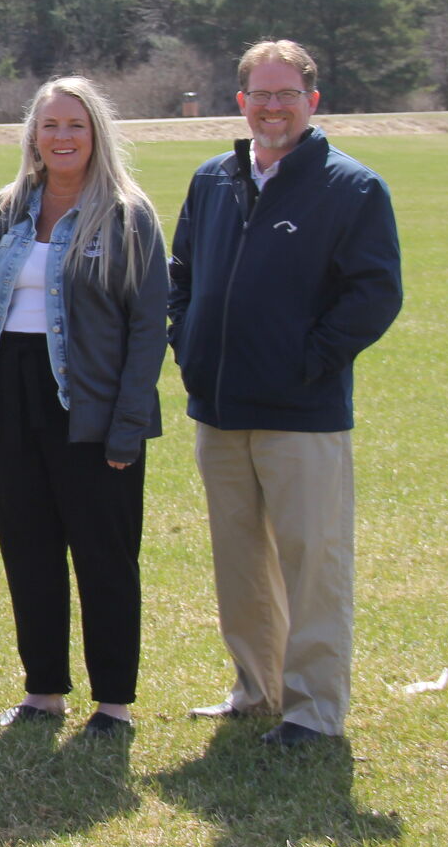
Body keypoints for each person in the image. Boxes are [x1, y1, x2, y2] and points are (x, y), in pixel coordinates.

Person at [169, 40, 402, 747]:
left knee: (313, 564)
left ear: (312, 102)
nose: (272, 107)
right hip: (220, 409)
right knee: (238, 561)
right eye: (259, 95)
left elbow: (374, 293)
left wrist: (309, 362)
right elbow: (179, 274)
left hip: (303, 413)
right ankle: (256, 688)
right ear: (241, 103)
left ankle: (313, 710)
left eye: (287, 95)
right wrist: (190, 347)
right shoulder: (213, 180)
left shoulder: (350, 187)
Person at [0, 77, 168, 737]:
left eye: (75, 124)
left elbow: (148, 325)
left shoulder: (126, 214)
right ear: (32, 136)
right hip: (8, 396)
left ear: (95, 131)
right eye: (50, 125)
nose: (62, 137)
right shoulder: (6, 209)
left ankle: (114, 703)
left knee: (104, 554)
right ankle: (43, 690)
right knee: (29, 550)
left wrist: (128, 425)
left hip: (89, 405)